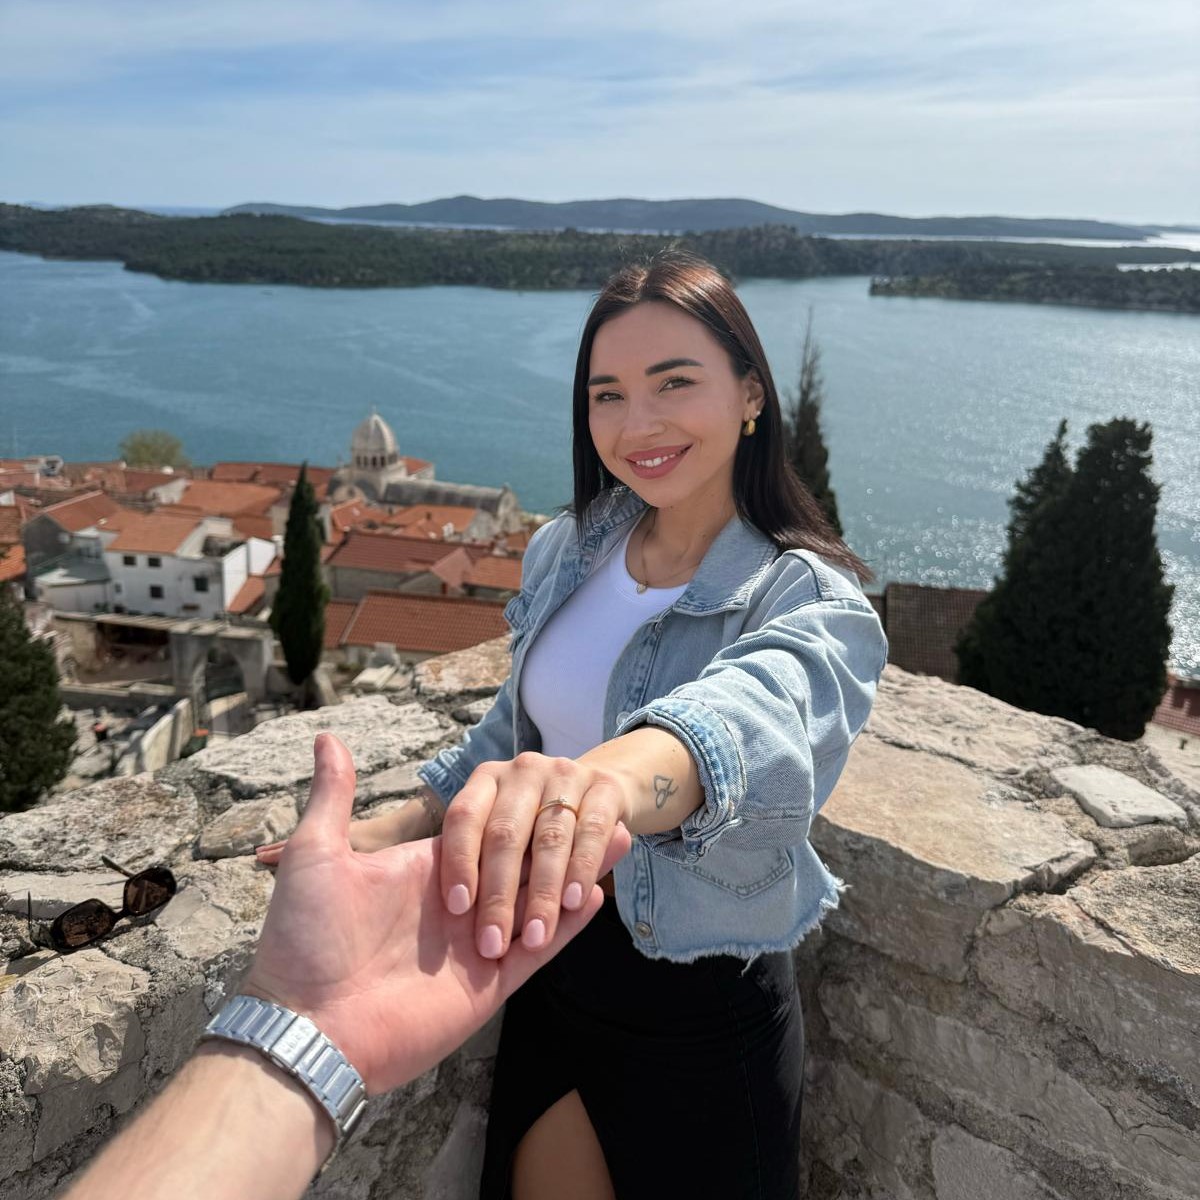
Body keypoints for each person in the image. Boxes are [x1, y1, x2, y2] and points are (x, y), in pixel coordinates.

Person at [260, 250, 888, 1199]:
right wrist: (382, 832)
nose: (638, 425)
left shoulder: (809, 598)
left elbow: (754, 716)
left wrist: (599, 790)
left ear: (751, 394)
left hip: (701, 1001)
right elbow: (513, 736)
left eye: (674, 383)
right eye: (608, 395)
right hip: (550, 962)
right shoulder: (571, 547)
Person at [63, 733, 632, 1200]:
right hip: (532, 956)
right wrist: (306, 1016)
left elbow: (687, 732)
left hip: (650, 971)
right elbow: (509, 721)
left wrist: (594, 791)